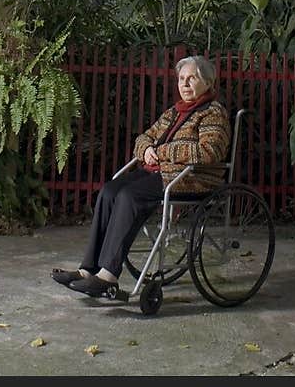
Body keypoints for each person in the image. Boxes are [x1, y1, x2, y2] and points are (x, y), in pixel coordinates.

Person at [51, 54, 231, 297]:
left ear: (208, 83)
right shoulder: (173, 112)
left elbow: (210, 151)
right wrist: (146, 149)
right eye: (181, 79)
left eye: (192, 78)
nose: (185, 84)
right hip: (160, 172)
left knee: (128, 196)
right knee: (109, 191)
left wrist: (162, 151)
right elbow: (144, 137)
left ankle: (108, 276)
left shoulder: (213, 113)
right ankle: (88, 269)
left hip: (191, 177)